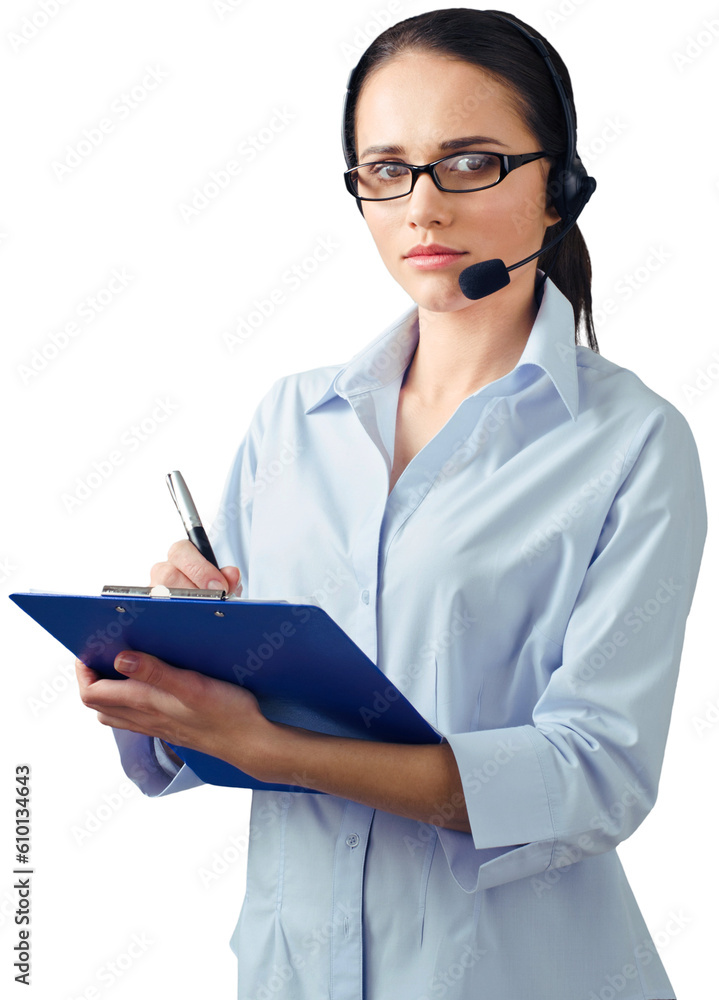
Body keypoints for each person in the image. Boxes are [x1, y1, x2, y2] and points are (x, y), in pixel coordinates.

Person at [75, 8, 707, 999]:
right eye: (386, 169)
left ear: (559, 189)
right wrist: (167, 660)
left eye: (468, 163)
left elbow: (593, 775)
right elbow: (204, 743)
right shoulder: (294, 421)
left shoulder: (630, 444)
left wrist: (280, 750)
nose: (421, 207)